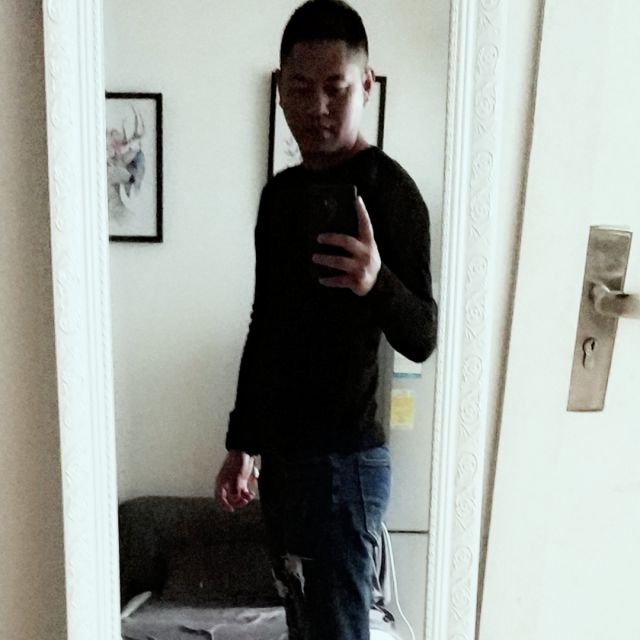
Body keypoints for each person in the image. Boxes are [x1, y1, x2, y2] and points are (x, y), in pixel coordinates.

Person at [215, 1, 437, 638]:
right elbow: (265, 325)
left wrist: (376, 281)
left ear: (365, 85)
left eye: (335, 88)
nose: (316, 107)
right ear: (280, 88)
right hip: (283, 462)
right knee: (303, 626)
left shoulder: (392, 193)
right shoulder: (279, 198)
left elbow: (422, 337)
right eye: (300, 87)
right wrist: (243, 443)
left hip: (345, 467)